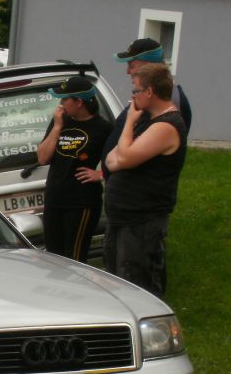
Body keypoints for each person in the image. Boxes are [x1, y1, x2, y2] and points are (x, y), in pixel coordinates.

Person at [103, 63, 187, 298]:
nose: (132, 98)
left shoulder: (166, 126)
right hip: (122, 217)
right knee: (115, 282)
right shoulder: (148, 122)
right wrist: (123, 155)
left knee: (137, 287)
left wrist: (129, 122)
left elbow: (125, 157)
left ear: (149, 92)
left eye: (135, 91)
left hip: (142, 221)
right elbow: (111, 159)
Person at [36, 76, 113, 263]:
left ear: (79, 102)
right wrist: (57, 127)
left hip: (81, 202)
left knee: (75, 259)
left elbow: (119, 160)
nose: (61, 104)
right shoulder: (60, 122)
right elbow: (42, 158)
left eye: (65, 99)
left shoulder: (103, 128)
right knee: (54, 257)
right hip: (55, 197)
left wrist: (100, 174)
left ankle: (77, 291)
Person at [101, 37, 191, 176]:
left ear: (148, 66)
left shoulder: (170, 101)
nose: (127, 71)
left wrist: (114, 164)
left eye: (131, 66)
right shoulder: (147, 97)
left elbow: (137, 152)